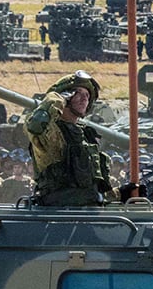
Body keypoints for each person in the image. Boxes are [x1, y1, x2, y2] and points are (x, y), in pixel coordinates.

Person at [25, 71, 117, 206]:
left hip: (88, 214)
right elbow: (36, 126)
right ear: (65, 97)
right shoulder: (53, 134)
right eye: (77, 93)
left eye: (87, 95)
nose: (84, 98)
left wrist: (119, 194)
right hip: (59, 215)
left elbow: (91, 191)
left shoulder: (85, 135)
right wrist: (55, 98)